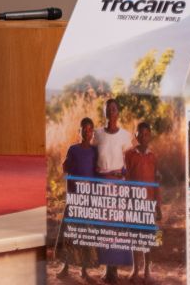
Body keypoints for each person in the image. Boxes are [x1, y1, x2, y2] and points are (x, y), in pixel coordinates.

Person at [92, 99, 133, 282]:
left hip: (118, 185)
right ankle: (107, 268)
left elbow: (129, 163)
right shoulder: (97, 134)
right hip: (101, 185)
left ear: (118, 112)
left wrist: (122, 174)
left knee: (117, 227)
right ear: (104, 112)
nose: (111, 112)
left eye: (114, 109)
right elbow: (92, 157)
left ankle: (114, 269)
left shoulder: (125, 136)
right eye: (107, 109)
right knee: (104, 227)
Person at [56, 117, 99, 281]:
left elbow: (97, 172)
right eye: (84, 129)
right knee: (69, 233)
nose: (87, 132)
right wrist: (71, 191)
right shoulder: (73, 149)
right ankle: (65, 267)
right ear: (79, 131)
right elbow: (65, 168)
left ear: (93, 132)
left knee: (86, 234)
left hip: (88, 199)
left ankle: (84, 270)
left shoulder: (95, 151)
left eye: (90, 129)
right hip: (74, 198)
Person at [124, 121, 157, 282]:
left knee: (147, 237)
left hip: (149, 203)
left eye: (146, 134)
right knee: (134, 236)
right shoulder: (129, 154)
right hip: (133, 202)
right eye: (140, 133)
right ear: (135, 135)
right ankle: (135, 269)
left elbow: (155, 181)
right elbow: (126, 178)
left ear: (149, 136)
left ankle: (147, 270)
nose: (143, 137)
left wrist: (158, 205)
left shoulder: (152, 156)